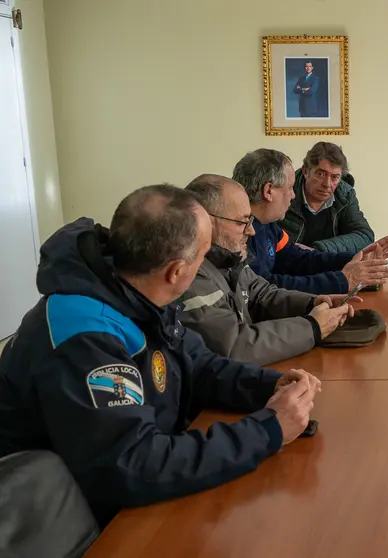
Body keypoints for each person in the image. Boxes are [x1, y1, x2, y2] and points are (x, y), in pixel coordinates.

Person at [0, 185, 320, 527]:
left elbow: (196, 363)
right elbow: (132, 464)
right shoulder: (84, 335)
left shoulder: (131, 286)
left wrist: (269, 387)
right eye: (202, 257)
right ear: (176, 271)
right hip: (61, 520)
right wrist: (268, 430)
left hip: (120, 475)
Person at [182, 175, 356, 366]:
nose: (251, 231)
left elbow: (262, 294)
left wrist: (312, 303)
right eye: (241, 222)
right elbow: (234, 347)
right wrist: (313, 327)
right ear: (204, 222)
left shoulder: (228, 257)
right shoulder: (188, 274)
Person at [232, 148, 388, 295]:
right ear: (268, 191)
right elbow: (264, 289)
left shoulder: (267, 224)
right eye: (289, 188)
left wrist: (353, 260)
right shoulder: (238, 235)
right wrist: (342, 280)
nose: (293, 195)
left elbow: (297, 259)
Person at [280, 142, 375, 255]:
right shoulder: (283, 191)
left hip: (330, 262)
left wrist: (318, 250)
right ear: (305, 171)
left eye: (334, 177)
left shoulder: (345, 194)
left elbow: (365, 236)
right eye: (321, 174)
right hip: (290, 262)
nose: (327, 184)